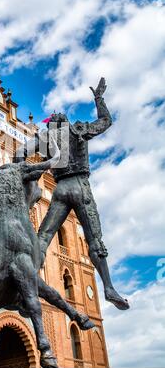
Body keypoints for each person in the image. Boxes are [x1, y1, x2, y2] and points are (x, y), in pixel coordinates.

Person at [14, 77, 129, 310]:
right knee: (94, 240)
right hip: (80, 186)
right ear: (65, 121)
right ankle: (108, 287)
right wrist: (99, 98)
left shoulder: (45, 137)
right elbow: (105, 121)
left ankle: (25, 284)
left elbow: (18, 153)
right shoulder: (78, 129)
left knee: (43, 237)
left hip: (60, 190)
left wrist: (29, 176)